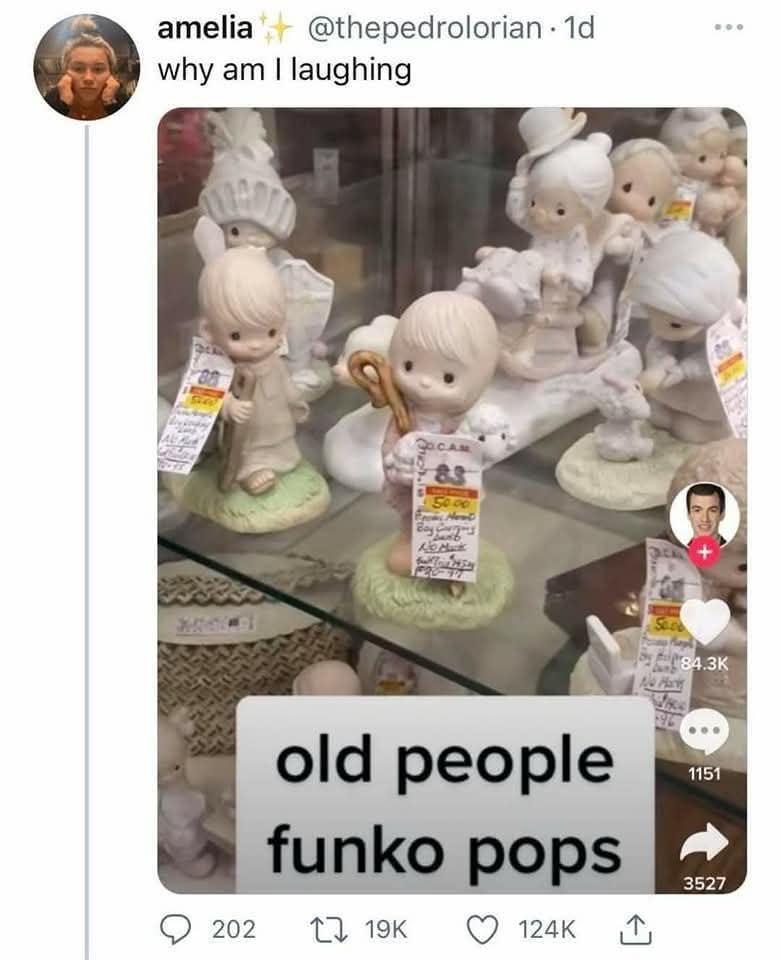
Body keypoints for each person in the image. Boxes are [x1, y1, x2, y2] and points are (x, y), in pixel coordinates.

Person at [43, 17, 129, 120]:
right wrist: (62, 104)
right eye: (78, 69)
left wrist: (111, 104)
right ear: (65, 72)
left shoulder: (122, 101)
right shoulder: (51, 101)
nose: (88, 78)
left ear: (110, 72)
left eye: (98, 69)